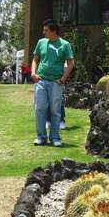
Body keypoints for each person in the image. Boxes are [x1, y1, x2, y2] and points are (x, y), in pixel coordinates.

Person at [31, 19, 74, 147]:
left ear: (54, 31)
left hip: (56, 83)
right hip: (41, 81)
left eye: (46, 30)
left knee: (55, 111)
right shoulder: (41, 42)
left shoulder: (65, 45)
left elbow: (71, 63)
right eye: (43, 30)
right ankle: (41, 137)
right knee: (40, 108)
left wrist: (62, 79)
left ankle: (55, 137)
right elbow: (35, 59)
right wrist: (33, 73)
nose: (43, 33)